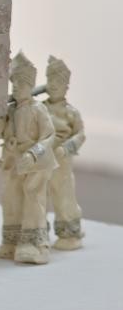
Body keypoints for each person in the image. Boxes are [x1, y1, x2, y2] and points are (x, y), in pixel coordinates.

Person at [0, 51, 57, 264]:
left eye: (21, 84)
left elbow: (49, 136)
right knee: (11, 198)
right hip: (13, 160)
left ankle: (34, 243)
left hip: (35, 162)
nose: (16, 88)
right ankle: (12, 239)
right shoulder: (10, 110)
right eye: (14, 84)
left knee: (33, 198)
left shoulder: (39, 109)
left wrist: (34, 153)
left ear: (30, 85)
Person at [44, 55, 85, 250]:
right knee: (39, 196)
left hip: (62, 160)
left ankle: (69, 233)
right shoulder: (40, 108)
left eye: (58, 81)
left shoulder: (71, 112)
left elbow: (80, 135)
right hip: (42, 158)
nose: (53, 85)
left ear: (66, 86)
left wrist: (66, 147)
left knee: (64, 196)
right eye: (50, 80)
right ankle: (38, 234)